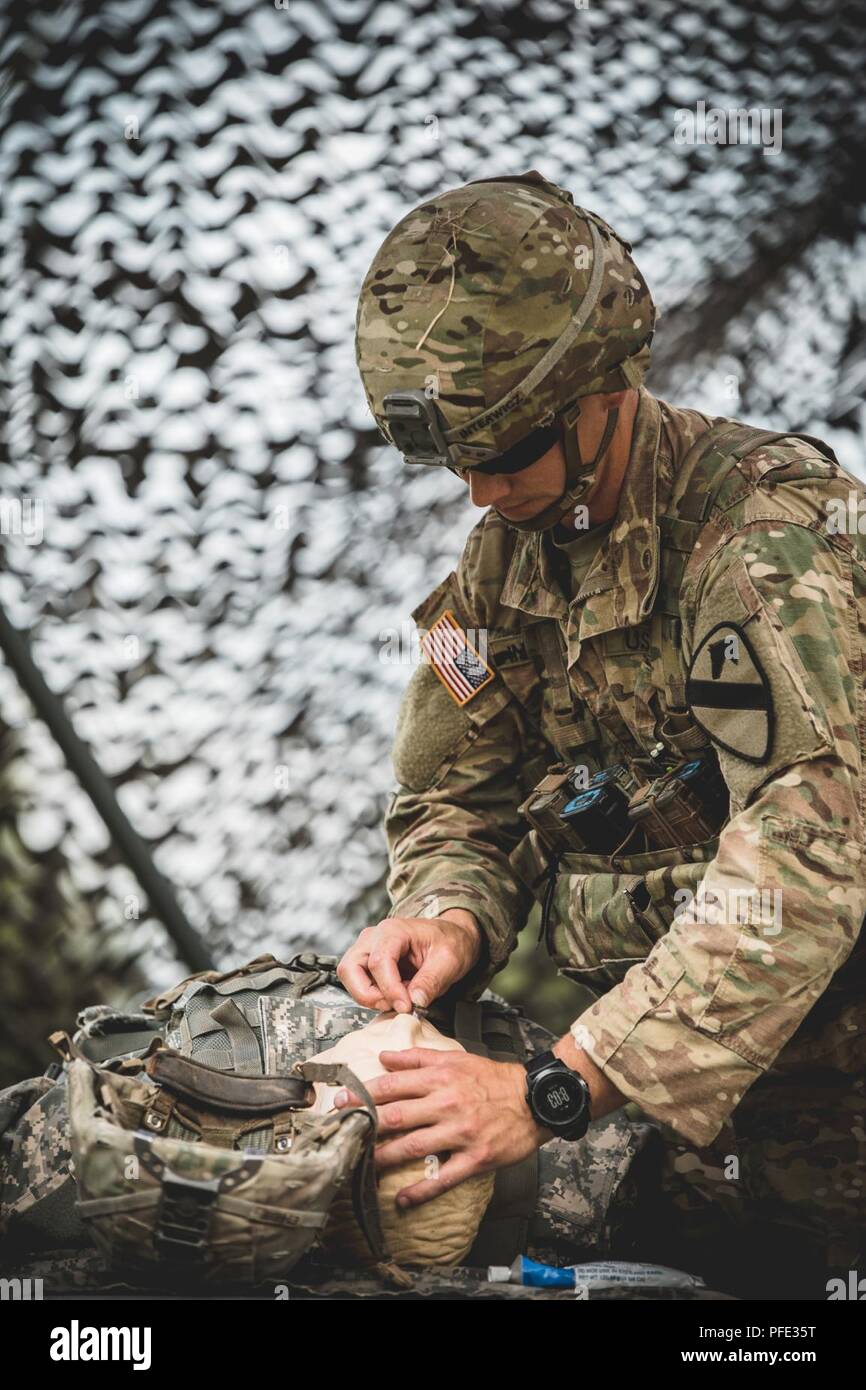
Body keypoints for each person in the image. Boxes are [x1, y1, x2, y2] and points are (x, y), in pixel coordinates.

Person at [338, 170, 866, 1298]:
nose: (480, 491)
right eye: (455, 461)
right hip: (674, 1102)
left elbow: (806, 856)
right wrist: (444, 914)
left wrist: (551, 1090)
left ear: (602, 389)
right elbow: (458, 796)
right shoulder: (499, 569)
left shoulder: (764, 543)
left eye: (507, 449)